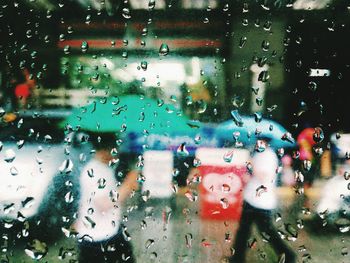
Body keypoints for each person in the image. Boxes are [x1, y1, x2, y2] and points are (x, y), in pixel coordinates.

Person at [74, 133, 139, 263]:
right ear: (106, 148)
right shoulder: (95, 171)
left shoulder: (103, 168)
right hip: (98, 238)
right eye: (115, 149)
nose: (117, 153)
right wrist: (129, 182)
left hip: (108, 231)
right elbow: (104, 204)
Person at [229, 139, 296, 263]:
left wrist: (251, 165)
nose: (257, 143)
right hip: (252, 198)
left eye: (260, 141)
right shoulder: (260, 154)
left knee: (265, 231)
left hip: (260, 202)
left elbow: (265, 176)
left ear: (266, 142)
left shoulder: (268, 156)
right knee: (245, 230)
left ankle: (288, 255)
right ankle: (237, 258)